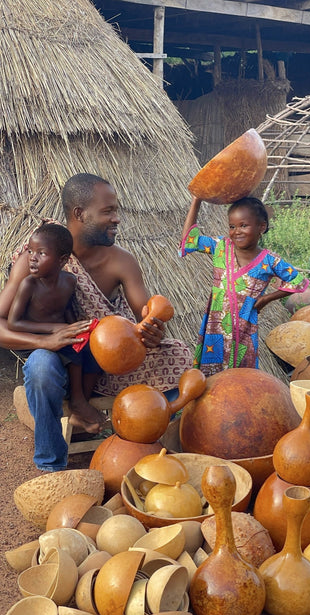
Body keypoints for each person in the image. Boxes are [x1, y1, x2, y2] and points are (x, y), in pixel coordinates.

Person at [0, 173, 193, 472]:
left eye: (116, 211)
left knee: (180, 357)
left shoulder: (122, 261)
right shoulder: (37, 257)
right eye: (108, 211)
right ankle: (51, 466)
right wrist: (45, 341)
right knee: (40, 367)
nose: (117, 219)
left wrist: (152, 330)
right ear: (79, 214)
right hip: (57, 356)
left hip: (107, 357)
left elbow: (144, 316)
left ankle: (137, 441)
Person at [180, 195, 309, 375]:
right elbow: (189, 241)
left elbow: (299, 282)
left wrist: (267, 298)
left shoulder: (269, 260)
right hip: (214, 330)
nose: (236, 231)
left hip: (244, 331)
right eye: (232, 226)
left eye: (243, 225)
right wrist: (196, 200)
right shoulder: (221, 247)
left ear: (261, 227)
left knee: (241, 382)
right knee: (210, 380)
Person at [7, 222, 104, 433]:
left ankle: (80, 405)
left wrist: (77, 329)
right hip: (33, 338)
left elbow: (67, 309)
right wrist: (54, 329)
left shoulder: (69, 281)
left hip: (59, 332)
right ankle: (78, 402)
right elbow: (14, 323)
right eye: (31, 251)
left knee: (94, 353)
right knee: (72, 354)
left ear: (62, 260)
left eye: (41, 253)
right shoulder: (28, 285)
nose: (32, 257)